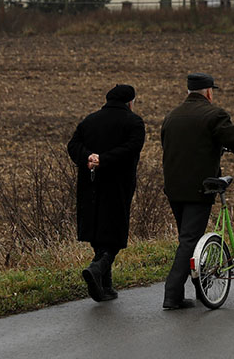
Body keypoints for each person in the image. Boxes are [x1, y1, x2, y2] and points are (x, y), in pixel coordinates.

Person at [160, 72, 234, 310]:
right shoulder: (214, 115)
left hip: (174, 189)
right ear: (208, 92)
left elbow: (171, 146)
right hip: (200, 188)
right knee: (189, 241)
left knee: (189, 240)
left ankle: (201, 287)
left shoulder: (171, 116)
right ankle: (172, 294)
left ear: (189, 92)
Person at [67, 83, 145, 302]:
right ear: (130, 102)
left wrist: (88, 157)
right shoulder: (134, 122)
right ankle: (97, 269)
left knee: (98, 231)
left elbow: (72, 145)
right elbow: (132, 148)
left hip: (90, 184)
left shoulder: (89, 121)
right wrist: (104, 159)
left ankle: (105, 286)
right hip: (118, 184)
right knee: (115, 234)